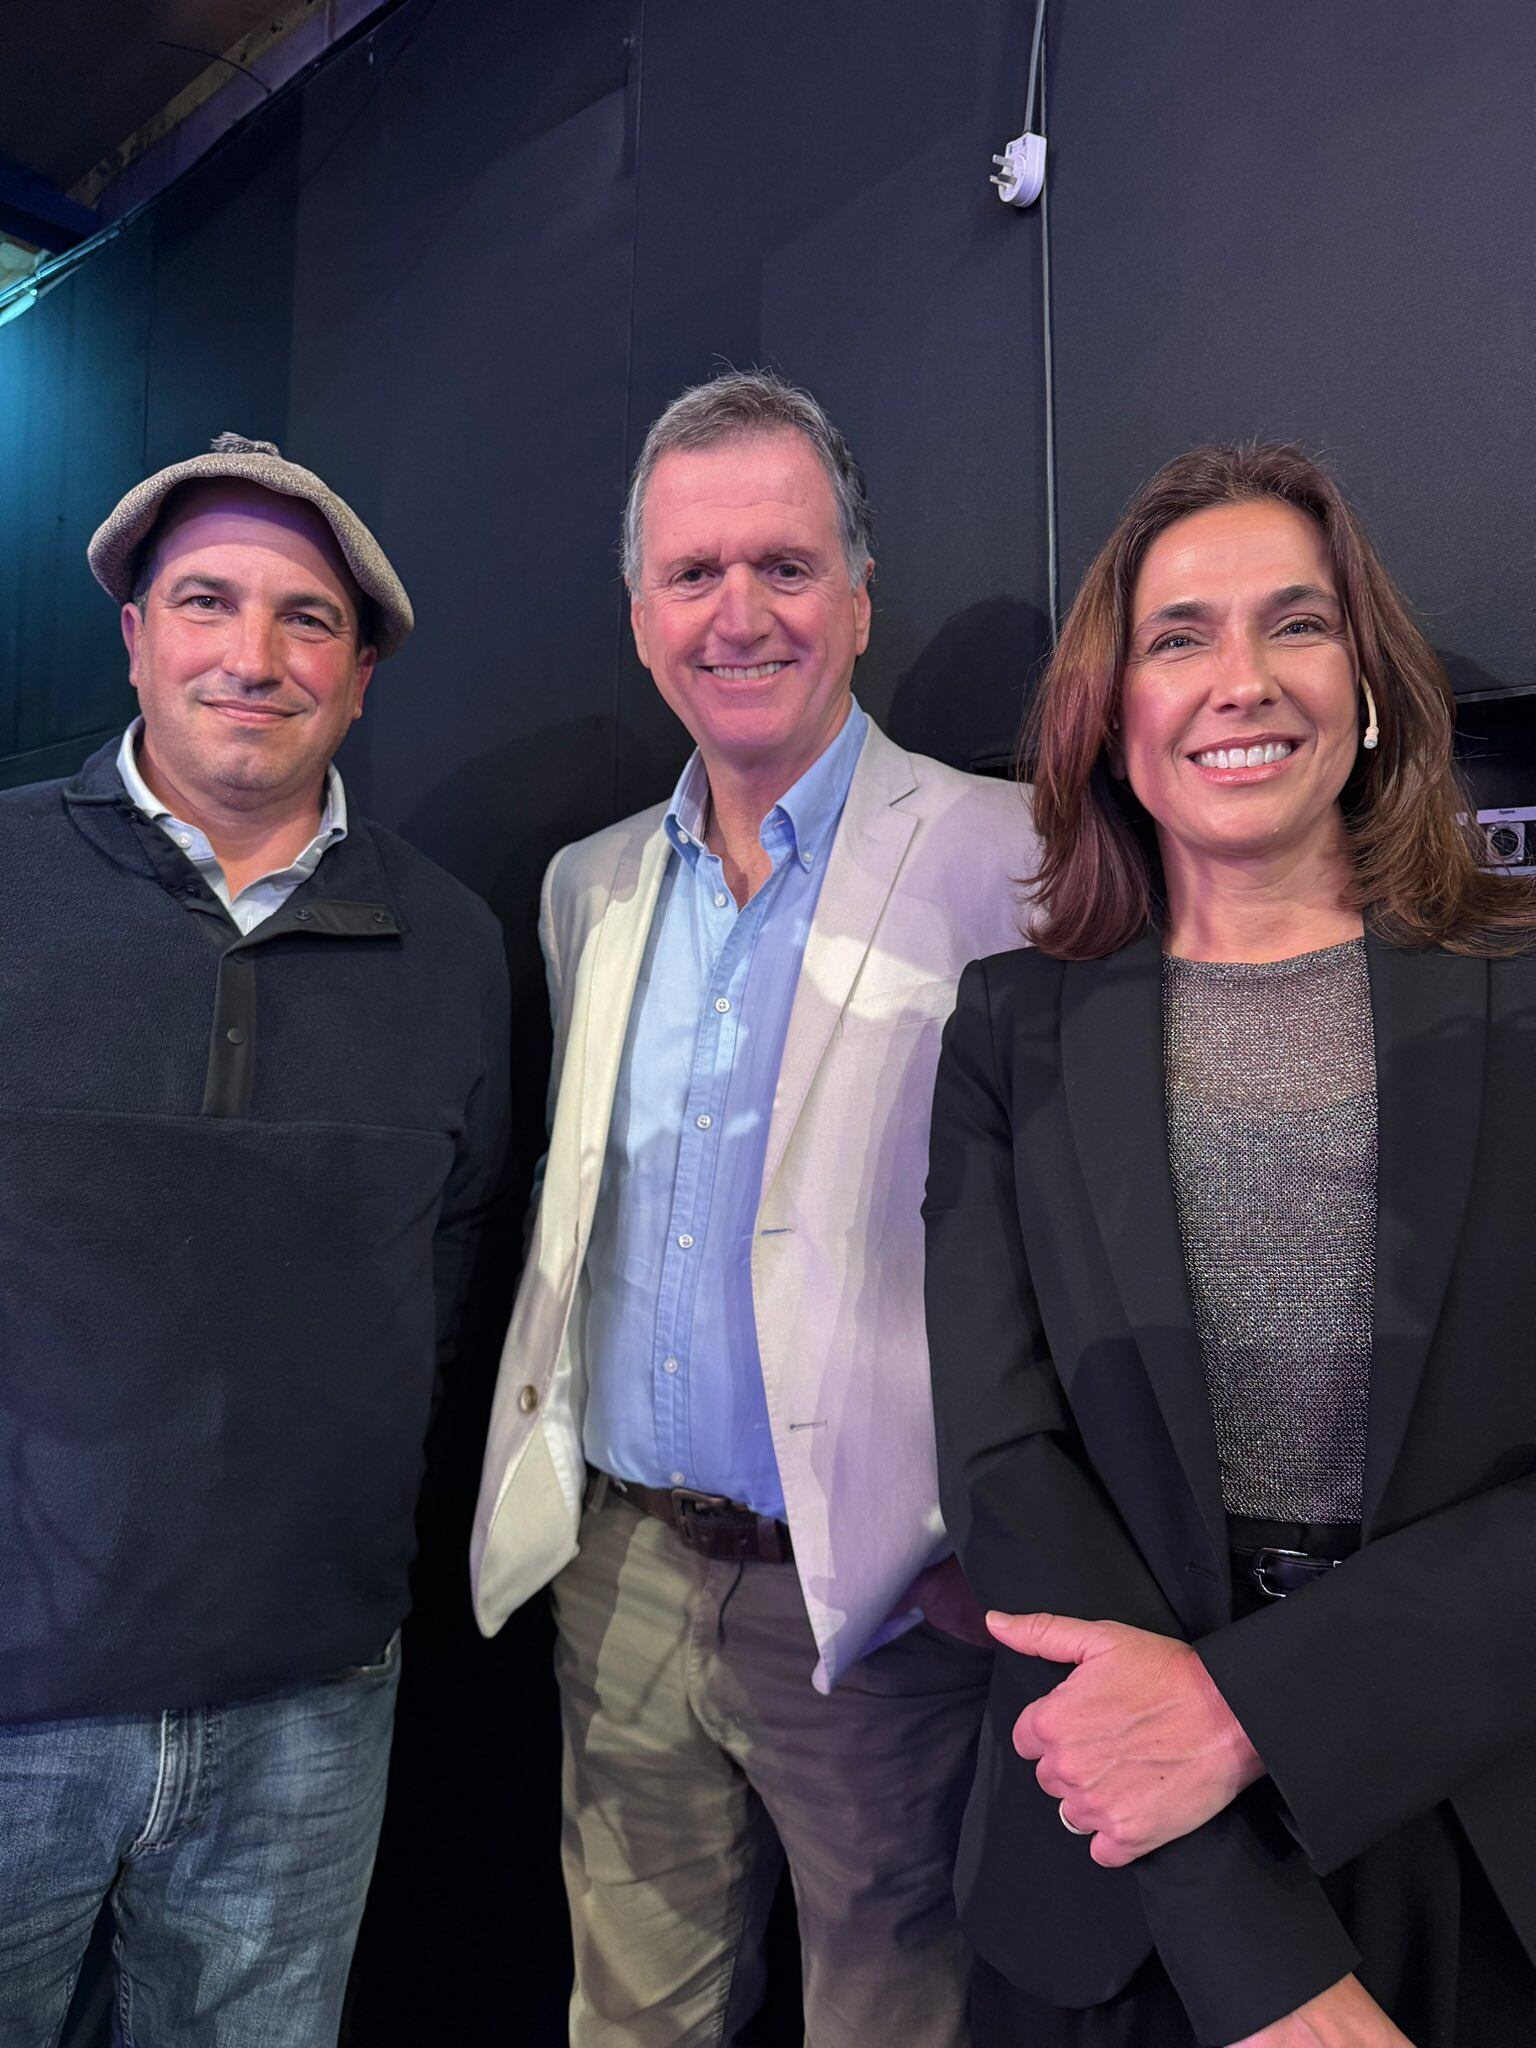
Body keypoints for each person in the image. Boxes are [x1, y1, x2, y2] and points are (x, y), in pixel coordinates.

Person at [924, 440, 1536, 2047]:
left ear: (1371, 685)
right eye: (1178, 637)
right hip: (1119, 1872)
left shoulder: (1522, 1001)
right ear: (1111, 716)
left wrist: (1261, 1711)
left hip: (1472, 1828)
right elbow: (1005, 1466)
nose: (1241, 680)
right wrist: (1253, 1948)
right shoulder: (1012, 1030)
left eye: (1298, 623)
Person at [472, 370, 1038, 2045]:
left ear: (858, 597)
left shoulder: (1013, 861)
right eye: (693, 574)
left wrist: (976, 1558)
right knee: (629, 2015)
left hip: (874, 1604)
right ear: (640, 618)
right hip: (621, 1571)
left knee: (897, 2015)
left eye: (785, 566)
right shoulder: (587, 887)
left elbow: (1077, 1247)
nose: (740, 614)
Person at [0, 434, 510, 2045]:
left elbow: (449, 1268)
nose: (254, 654)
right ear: (134, 635)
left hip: (306, 1716)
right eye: (207, 601)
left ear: (361, 678)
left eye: (308, 619)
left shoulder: (454, 944)